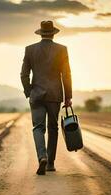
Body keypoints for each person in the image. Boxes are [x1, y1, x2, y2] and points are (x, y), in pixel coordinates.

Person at [20, 20, 72, 175]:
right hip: (54, 95)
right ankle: (50, 163)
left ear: (41, 33)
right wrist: (68, 96)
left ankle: (42, 156)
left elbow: (24, 74)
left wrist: (29, 91)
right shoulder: (62, 50)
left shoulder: (30, 50)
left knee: (38, 127)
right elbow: (66, 75)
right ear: (53, 34)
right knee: (53, 128)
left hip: (36, 94)